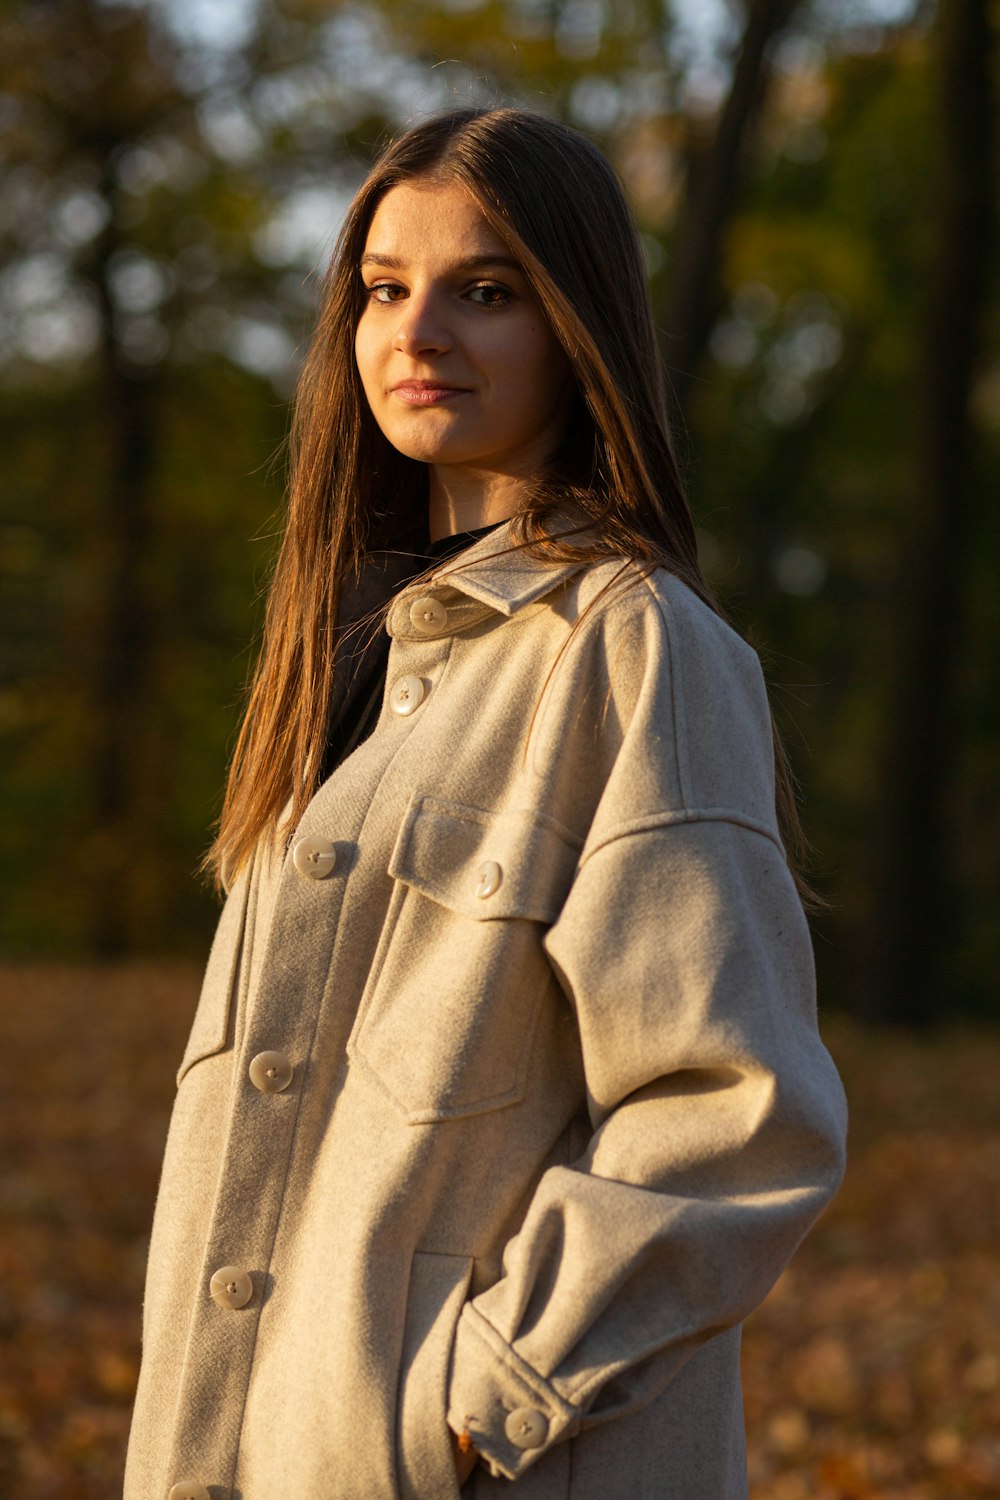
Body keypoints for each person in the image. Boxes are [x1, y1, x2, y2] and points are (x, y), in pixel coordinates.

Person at [124, 107, 847, 1500]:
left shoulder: (636, 646)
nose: (420, 331)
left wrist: (481, 1401)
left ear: (576, 327)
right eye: (384, 290)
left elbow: (732, 1112)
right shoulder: (350, 663)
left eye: (488, 291)